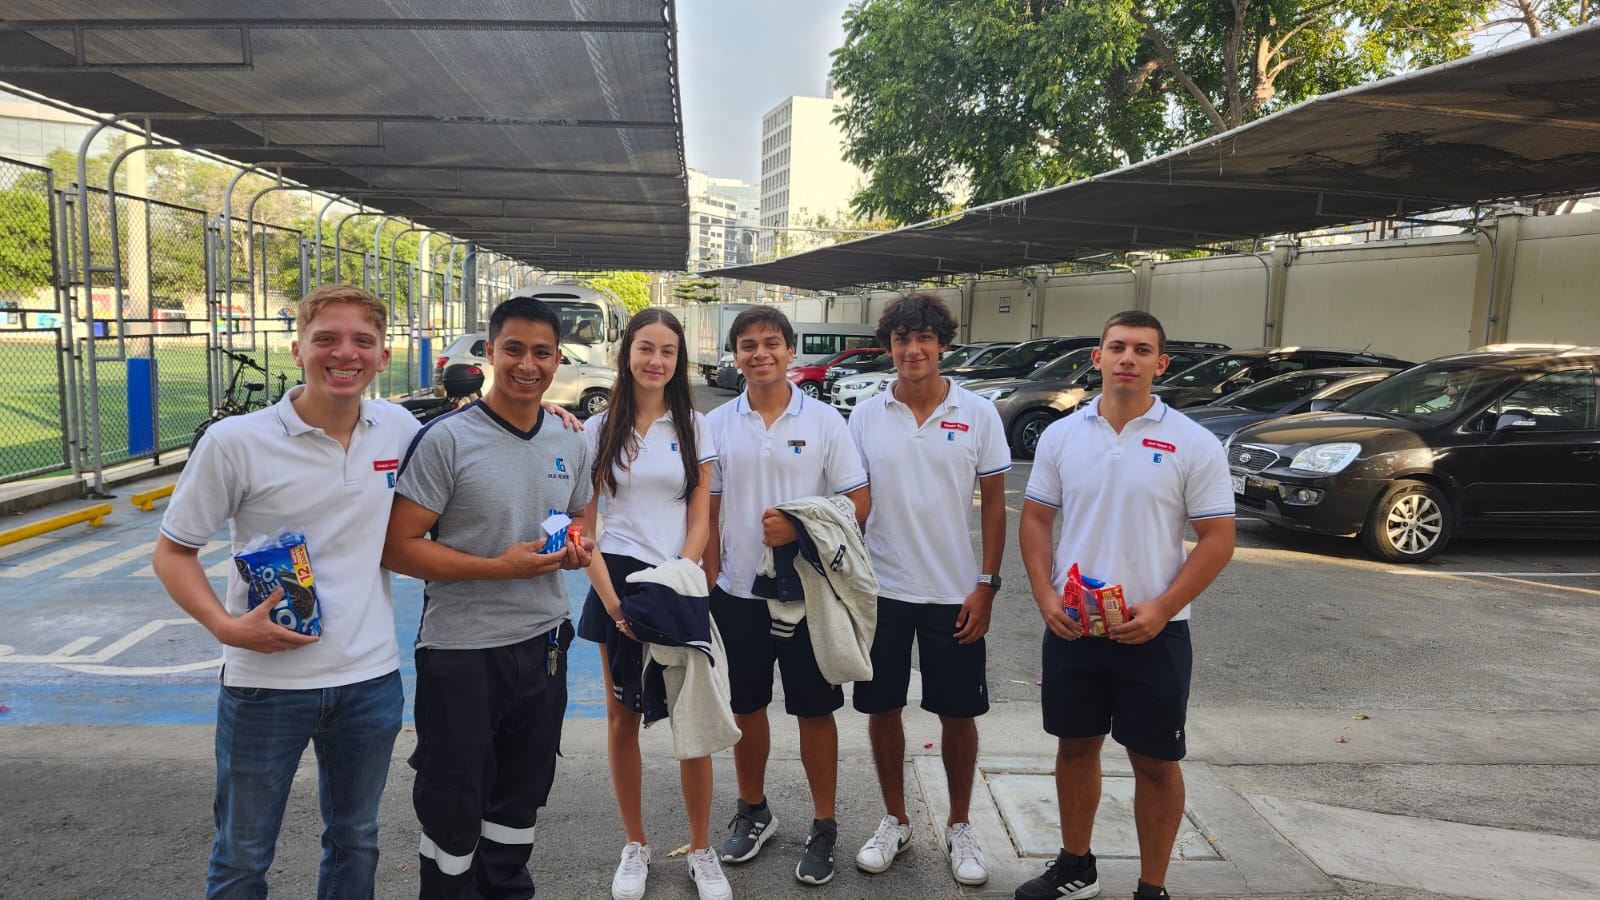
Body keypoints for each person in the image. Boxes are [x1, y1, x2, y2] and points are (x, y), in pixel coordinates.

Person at [152, 284, 419, 899]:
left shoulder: (398, 428)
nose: (344, 353)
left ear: (382, 355)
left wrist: (549, 416)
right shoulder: (235, 442)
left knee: (356, 839)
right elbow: (172, 552)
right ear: (297, 349)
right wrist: (225, 626)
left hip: (369, 678)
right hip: (264, 685)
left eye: (362, 341)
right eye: (326, 339)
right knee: (242, 856)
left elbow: (471, 440)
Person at [1015, 310, 1235, 900]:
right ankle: (1075, 868)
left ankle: (1151, 887)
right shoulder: (1063, 435)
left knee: (1155, 762)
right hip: (1075, 625)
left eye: (1141, 350)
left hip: (1154, 630)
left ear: (1161, 363)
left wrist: (1163, 607)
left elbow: (1218, 538)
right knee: (1075, 747)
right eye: (1117, 347)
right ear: (1098, 357)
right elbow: (1035, 518)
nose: (1127, 359)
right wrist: (1044, 594)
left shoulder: (1193, 441)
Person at [382, 295, 595, 900]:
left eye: (542, 352)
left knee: (520, 796)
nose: (528, 364)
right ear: (491, 353)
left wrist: (578, 546)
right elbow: (398, 547)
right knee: (453, 800)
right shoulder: (447, 439)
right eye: (514, 350)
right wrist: (497, 568)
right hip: (463, 650)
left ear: (558, 358)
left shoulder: (568, 437)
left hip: (545, 643)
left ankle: (506, 889)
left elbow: (581, 515)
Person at [701, 306, 870, 886]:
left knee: (815, 711)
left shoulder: (824, 421)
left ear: (790, 351)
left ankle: (824, 824)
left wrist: (799, 528)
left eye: (771, 342)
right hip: (738, 593)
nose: (760, 354)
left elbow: (858, 501)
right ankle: (754, 810)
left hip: (808, 595)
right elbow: (708, 509)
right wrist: (710, 580)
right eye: (747, 345)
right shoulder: (717, 423)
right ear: (735, 355)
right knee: (746, 708)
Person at [845, 294, 1010, 887]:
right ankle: (895, 819)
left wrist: (986, 584)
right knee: (882, 708)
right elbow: (853, 504)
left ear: (942, 344)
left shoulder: (978, 413)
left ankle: (960, 825)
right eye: (901, 339)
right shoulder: (865, 415)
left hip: (954, 593)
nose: (912, 350)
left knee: (958, 713)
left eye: (923, 339)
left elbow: (996, 505)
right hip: (881, 590)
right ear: (888, 346)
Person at [576, 309, 731, 900]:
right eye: (646, 348)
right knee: (624, 717)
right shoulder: (597, 429)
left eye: (667, 351)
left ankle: (701, 847)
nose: (655, 361)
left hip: (675, 582)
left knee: (694, 718)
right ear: (627, 352)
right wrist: (615, 604)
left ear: (678, 359)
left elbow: (701, 519)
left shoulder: (695, 426)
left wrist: (676, 578)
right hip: (615, 580)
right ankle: (635, 843)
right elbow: (585, 527)